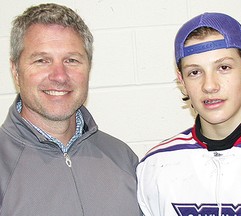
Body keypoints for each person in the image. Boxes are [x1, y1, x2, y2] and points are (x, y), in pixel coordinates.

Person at [137, 12, 241, 215]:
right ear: (181, 81)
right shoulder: (155, 166)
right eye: (195, 72)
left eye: (223, 67)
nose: (209, 85)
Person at [0, 3, 142, 215]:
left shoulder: (123, 158)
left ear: (88, 68)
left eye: (71, 60)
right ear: (16, 71)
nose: (59, 75)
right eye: (41, 60)